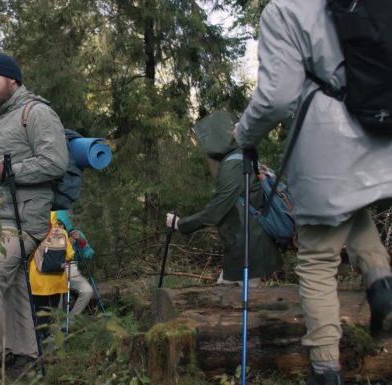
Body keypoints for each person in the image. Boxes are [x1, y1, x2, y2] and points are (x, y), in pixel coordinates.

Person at [232, 1, 392, 383]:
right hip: (377, 134)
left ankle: (325, 368)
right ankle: (381, 282)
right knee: (352, 210)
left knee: (318, 256)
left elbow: (276, 97)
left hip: (330, 139)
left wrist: (243, 134)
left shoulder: (285, 9)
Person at [0, 52, 69, 365]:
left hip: (23, 221)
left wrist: (6, 172)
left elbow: (55, 162)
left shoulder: (36, 112)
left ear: (13, 79)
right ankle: (25, 354)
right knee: (12, 288)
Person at [166, 111, 284, 287]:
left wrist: (180, 224)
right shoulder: (242, 154)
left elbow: (216, 211)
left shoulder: (233, 163)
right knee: (226, 294)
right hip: (245, 246)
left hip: (248, 248)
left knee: (235, 302)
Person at [29, 211, 74, 339]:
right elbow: (70, 255)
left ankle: (38, 337)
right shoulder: (63, 233)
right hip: (57, 281)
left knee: (38, 310)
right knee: (51, 310)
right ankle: (48, 335)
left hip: (38, 280)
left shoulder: (36, 233)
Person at [54, 210, 95, 317]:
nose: (58, 226)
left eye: (61, 224)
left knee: (87, 291)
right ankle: (56, 328)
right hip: (55, 272)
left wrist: (80, 241)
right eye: (56, 223)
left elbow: (89, 254)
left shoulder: (75, 234)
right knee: (57, 301)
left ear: (66, 224)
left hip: (72, 271)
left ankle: (71, 319)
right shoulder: (50, 234)